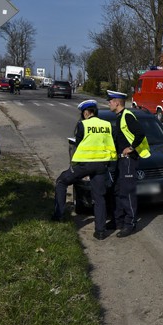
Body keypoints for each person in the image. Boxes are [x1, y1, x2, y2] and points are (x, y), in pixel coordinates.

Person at [52, 100, 118, 240]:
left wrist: (73, 164)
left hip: (84, 166)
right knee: (99, 198)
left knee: (61, 182)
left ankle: (59, 215)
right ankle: (100, 232)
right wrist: (111, 168)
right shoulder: (106, 125)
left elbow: (78, 144)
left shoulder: (83, 125)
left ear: (86, 112)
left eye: (83, 113)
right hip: (101, 166)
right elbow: (110, 146)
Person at [107, 90, 150, 238]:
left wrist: (131, 148)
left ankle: (130, 224)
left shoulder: (127, 116)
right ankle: (117, 220)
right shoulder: (119, 117)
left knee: (128, 193)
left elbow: (140, 133)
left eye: (110, 101)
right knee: (118, 191)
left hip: (129, 161)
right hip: (120, 160)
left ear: (117, 102)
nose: (109, 104)